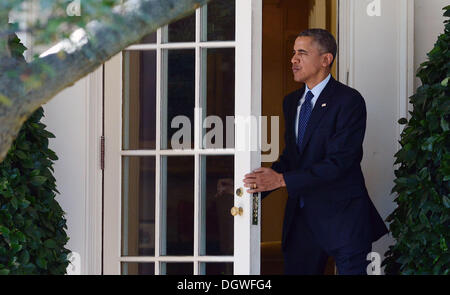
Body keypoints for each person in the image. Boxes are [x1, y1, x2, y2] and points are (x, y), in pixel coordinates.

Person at [243, 29, 388, 275]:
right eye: (293, 53)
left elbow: (340, 162)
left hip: (343, 220)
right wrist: (252, 185)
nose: (293, 60)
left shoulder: (349, 101)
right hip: (301, 223)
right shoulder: (291, 102)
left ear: (325, 59)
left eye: (301, 53)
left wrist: (281, 180)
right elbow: (292, 158)